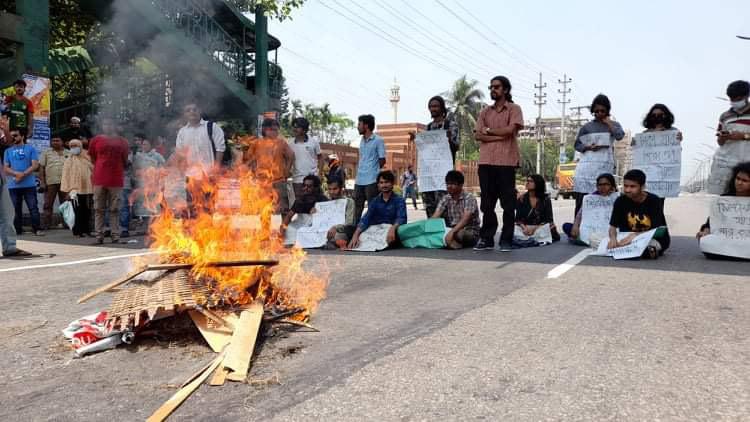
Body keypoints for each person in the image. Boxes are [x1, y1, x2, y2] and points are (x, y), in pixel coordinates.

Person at [473, 76, 524, 252]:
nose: (493, 90)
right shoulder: (485, 112)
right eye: (491, 87)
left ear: (506, 90)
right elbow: (478, 135)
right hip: (486, 162)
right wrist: (499, 135)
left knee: (508, 204)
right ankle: (487, 238)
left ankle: (506, 239)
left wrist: (490, 132)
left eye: (497, 87)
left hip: (506, 162)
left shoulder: (514, 109)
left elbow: (511, 130)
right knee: (487, 203)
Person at [573, 94, 625, 217]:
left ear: (607, 110)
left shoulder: (614, 124)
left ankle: (601, 227)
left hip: (604, 165)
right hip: (586, 167)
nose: (599, 113)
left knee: (603, 198)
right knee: (582, 199)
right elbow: (577, 145)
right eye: (596, 111)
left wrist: (609, 123)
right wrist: (587, 147)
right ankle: (578, 228)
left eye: (602, 111)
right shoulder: (586, 127)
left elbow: (619, 136)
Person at [410, 95, 459, 217]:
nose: (433, 109)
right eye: (431, 106)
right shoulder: (429, 127)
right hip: (429, 174)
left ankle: (446, 232)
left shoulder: (450, 125)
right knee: (429, 205)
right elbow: (426, 148)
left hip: (444, 173)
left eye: (436, 106)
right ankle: (433, 232)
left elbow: (456, 147)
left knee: (444, 205)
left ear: (442, 108)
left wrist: (448, 140)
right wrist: (416, 139)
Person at [607, 169, 670, 259]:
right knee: (597, 240)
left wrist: (635, 236)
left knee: (647, 246)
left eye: (632, 186)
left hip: (649, 237)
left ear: (642, 187)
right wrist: (613, 239)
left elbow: (657, 229)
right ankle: (628, 250)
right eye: (626, 186)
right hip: (626, 237)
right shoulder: (620, 201)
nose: (628, 190)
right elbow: (612, 227)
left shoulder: (654, 200)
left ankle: (647, 251)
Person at [696, 162, 750, 260]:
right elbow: (711, 222)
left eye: (745, 180)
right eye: (737, 178)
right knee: (706, 241)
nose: (739, 183)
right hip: (725, 241)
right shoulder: (723, 200)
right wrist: (705, 230)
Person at [89, 116, 129, 244]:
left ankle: (115, 236)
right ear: (102, 126)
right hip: (99, 179)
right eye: (106, 124)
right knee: (98, 209)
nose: (108, 127)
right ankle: (99, 236)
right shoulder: (96, 140)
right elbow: (93, 158)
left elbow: (125, 160)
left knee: (115, 209)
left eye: (111, 124)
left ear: (115, 126)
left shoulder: (123, 142)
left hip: (116, 180)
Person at [243, 118, 295, 213]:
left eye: (276, 130)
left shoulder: (281, 142)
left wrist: (287, 171)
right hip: (262, 182)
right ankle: (265, 227)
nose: (276, 132)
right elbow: (248, 160)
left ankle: (281, 227)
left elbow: (291, 156)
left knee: (280, 209)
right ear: (265, 130)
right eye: (273, 130)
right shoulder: (256, 143)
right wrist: (251, 173)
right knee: (263, 209)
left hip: (278, 181)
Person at [348, 170, 406, 250]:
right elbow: (366, 219)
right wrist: (355, 235)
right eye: (381, 183)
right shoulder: (375, 201)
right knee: (359, 237)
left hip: (393, 231)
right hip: (377, 231)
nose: (384, 185)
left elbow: (401, 218)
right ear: (378, 185)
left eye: (386, 182)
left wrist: (392, 228)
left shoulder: (399, 200)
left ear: (392, 184)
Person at [3, 128, 42, 236]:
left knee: (33, 208)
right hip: (13, 185)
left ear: (22, 136)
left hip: (29, 185)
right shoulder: (7, 151)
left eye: (15, 135)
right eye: (11, 136)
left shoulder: (30, 149)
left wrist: (23, 174)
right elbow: (6, 168)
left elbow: (35, 165)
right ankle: (17, 230)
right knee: (15, 209)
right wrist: (17, 174)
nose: (13, 138)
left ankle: (37, 229)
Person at [175, 101, 226, 180]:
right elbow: (180, 152)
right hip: (190, 176)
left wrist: (216, 168)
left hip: (209, 175)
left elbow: (220, 148)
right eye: (188, 110)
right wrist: (181, 169)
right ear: (185, 114)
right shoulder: (182, 132)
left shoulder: (212, 127)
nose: (192, 112)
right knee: (190, 192)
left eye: (195, 109)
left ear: (199, 111)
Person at [563, 172, 618, 244]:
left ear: (612, 186)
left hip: (610, 230)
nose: (602, 187)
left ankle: (583, 240)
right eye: (600, 185)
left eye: (606, 184)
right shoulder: (590, 199)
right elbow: (579, 215)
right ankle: (587, 239)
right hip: (591, 230)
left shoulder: (618, 198)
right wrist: (575, 226)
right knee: (566, 226)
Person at [432, 170, 479, 249]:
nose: (449, 186)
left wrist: (452, 232)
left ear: (461, 185)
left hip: (469, 231)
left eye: (453, 184)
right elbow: (435, 216)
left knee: (459, 234)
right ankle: (450, 241)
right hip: (451, 229)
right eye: (448, 184)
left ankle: (452, 242)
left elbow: (465, 219)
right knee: (434, 231)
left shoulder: (469, 198)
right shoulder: (446, 198)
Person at [353, 114, 386, 224]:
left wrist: (373, 170)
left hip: (371, 180)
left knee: (373, 208)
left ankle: (373, 230)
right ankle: (353, 231)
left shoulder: (378, 140)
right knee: (356, 208)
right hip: (359, 180)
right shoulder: (361, 140)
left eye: (359, 124)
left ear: (366, 125)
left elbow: (382, 160)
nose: (357, 127)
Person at [513, 174, 560, 246]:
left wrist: (534, 228)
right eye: (527, 181)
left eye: (531, 181)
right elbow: (518, 219)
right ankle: (534, 239)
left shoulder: (545, 199)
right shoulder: (522, 198)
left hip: (539, 228)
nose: (527, 183)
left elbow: (548, 219)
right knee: (512, 228)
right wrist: (524, 228)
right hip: (525, 229)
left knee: (550, 226)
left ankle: (528, 240)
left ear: (538, 183)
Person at [60, 139, 94, 237]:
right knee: (76, 210)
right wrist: (67, 191)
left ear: (80, 146)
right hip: (74, 190)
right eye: (72, 146)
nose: (74, 148)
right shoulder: (69, 160)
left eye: (76, 146)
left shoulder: (87, 157)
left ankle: (87, 230)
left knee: (86, 210)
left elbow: (93, 170)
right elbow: (65, 176)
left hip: (87, 189)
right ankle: (78, 231)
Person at [38, 136, 69, 229]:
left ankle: (67, 223)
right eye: (53, 141)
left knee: (66, 204)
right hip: (50, 182)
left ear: (62, 142)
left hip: (65, 183)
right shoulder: (46, 153)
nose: (55, 142)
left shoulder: (69, 153)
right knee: (48, 204)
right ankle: (46, 224)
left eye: (57, 140)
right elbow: (41, 168)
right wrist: (42, 182)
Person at [288, 117, 322, 200]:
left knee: (314, 203)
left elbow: (320, 158)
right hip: (297, 180)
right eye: (293, 126)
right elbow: (288, 160)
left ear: (304, 130)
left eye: (297, 127)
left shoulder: (314, 141)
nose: (294, 129)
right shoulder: (290, 143)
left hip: (312, 179)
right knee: (300, 205)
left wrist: (319, 174)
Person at [323, 177, 356, 248]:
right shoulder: (326, 203)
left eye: (335, 189)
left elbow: (349, 222)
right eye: (329, 189)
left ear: (341, 189)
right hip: (327, 230)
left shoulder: (349, 202)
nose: (332, 192)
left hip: (342, 231)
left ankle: (332, 243)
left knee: (338, 236)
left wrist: (336, 228)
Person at [717, 80, 750, 147]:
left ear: (747, 96)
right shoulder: (724, 116)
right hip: (724, 157)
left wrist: (743, 136)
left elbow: (744, 136)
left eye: (738, 99)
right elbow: (720, 142)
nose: (734, 101)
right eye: (732, 99)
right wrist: (722, 138)